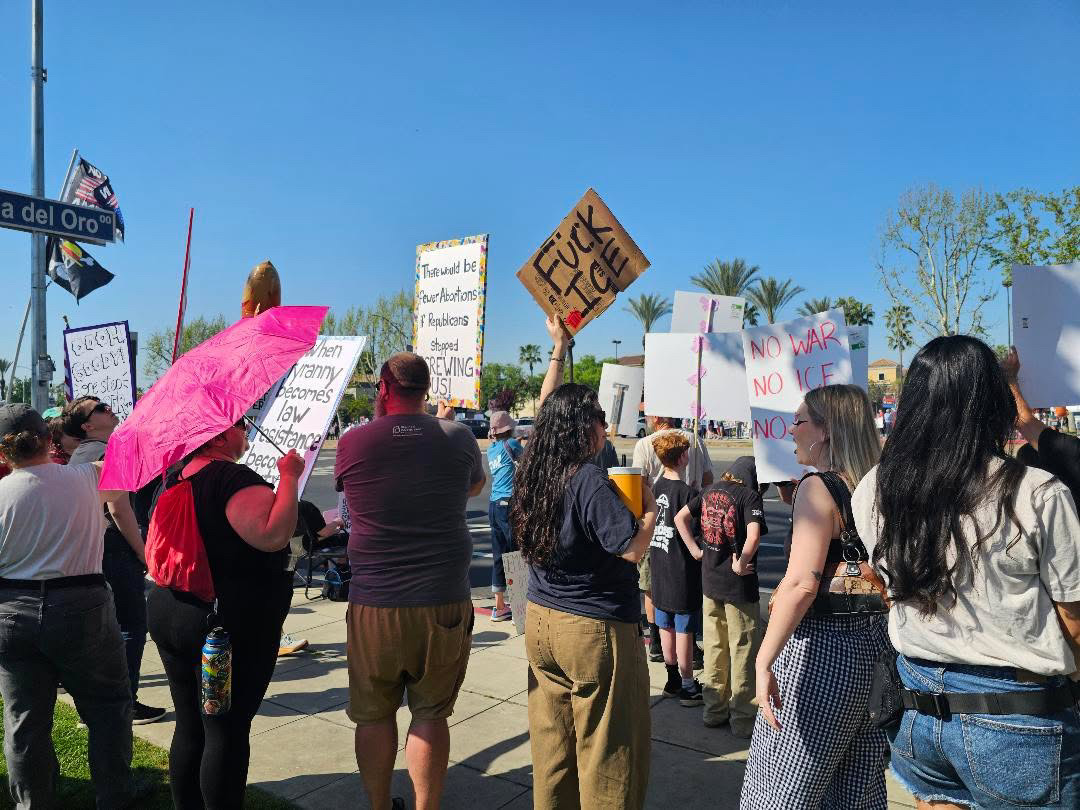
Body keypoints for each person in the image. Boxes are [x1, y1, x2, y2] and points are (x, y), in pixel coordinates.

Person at [853, 336, 1080, 809]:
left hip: (919, 705)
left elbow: (891, 587)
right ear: (992, 403)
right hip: (1018, 715)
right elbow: (1073, 618)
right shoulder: (1037, 492)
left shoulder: (875, 487)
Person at [512, 316, 658, 810]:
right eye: (598, 416)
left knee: (552, 748)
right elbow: (632, 549)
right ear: (582, 427)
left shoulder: (532, 468)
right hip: (593, 628)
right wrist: (651, 512)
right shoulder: (589, 480)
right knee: (609, 753)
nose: (605, 424)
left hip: (541, 622)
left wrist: (558, 348)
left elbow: (547, 402)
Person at [335, 352, 485, 810]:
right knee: (431, 714)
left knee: (374, 715)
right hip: (442, 599)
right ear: (427, 389)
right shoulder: (458, 439)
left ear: (382, 389)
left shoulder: (353, 443)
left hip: (374, 602)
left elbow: (350, 493)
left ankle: (379, 805)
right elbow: (474, 487)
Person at [741, 384, 888, 809]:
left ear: (825, 430)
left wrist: (764, 658)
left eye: (799, 421)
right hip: (876, 650)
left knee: (783, 789)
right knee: (857, 788)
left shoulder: (818, 487)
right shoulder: (879, 485)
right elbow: (869, 572)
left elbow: (801, 584)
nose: (790, 430)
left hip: (823, 652)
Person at [146, 421, 303, 809]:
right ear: (219, 435)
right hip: (221, 627)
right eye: (239, 425)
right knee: (226, 731)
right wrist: (289, 477)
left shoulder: (175, 477)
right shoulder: (232, 478)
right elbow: (272, 534)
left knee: (190, 723)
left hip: (172, 611)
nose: (246, 432)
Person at [0, 404, 138, 808]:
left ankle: (33, 804)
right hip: (83, 605)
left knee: (25, 722)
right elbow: (130, 462)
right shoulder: (90, 477)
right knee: (109, 709)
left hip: (12, 610)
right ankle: (114, 796)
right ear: (49, 440)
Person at [61, 396, 166, 724]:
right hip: (115, 549)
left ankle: (96, 704)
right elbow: (119, 509)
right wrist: (142, 550)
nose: (110, 409)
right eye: (101, 408)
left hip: (91, 550)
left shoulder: (79, 455)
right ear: (87, 425)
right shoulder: (105, 453)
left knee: (103, 629)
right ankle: (126, 703)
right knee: (132, 625)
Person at [676, 456, 766, 736]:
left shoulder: (709, 490)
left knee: (715, 647)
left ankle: (713, 710)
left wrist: (694, 550)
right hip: (738, 587)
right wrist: (741, 563)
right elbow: (753, 537)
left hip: (710, 582)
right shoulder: (749, 496)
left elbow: (680, 517)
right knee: (743, 649)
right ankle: (743, 719)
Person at [632, 415, 714, 662]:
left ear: (656, 417)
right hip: (684, 540)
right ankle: (686, 662)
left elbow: (639, 485)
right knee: (684, 601)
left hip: (654, 529)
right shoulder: (695, 440)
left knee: (651, 587)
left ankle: (658, 644)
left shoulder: (644, 445)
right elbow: (709, 479)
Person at [647, 430, 703, 706]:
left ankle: (672, 679)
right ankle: (688, 685)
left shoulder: (654, 488)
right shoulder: (690, 494)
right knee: (684, 629)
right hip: (681, 568)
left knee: (665, 625)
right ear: (682, 457)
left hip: (658, 563)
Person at [1003, 346, 1080, 502]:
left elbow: (1022, 419)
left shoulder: (1070, 454)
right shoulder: (1072, 453)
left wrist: (1010, 377)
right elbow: (1024, 421)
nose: (1051, 428)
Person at [487, 411, 523, 621]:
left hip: (493, 504)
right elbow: (527, 463)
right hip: (508, 503)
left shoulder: (492, 450)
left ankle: (499, 606)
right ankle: (520, 608)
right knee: (516, 554)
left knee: (499, 555)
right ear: (509, 428)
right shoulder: (513, 445)